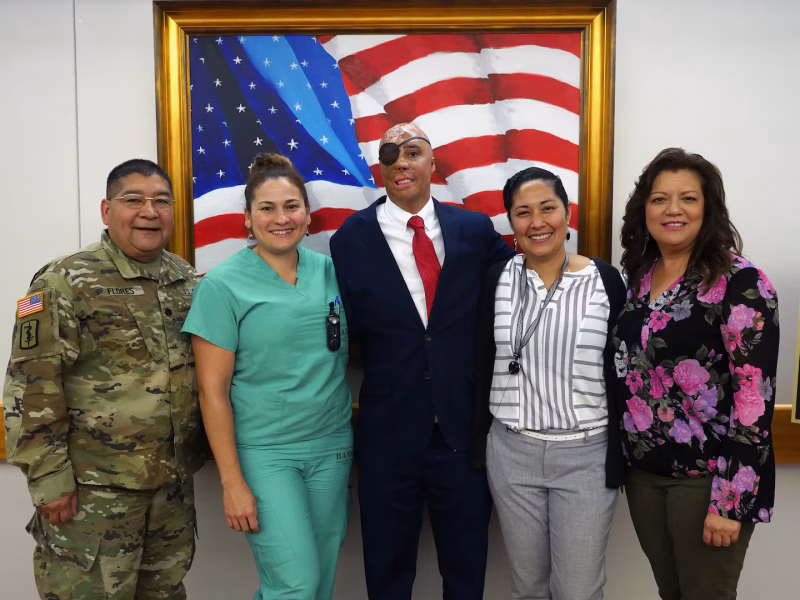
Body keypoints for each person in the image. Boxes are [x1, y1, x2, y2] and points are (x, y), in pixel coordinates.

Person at [3, 159, 204, 599]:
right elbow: (31, 384)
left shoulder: (184, 278)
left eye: (161, 201)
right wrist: (49, 480)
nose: (149, 211)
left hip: (171, 491)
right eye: (133, 200)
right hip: (92, 493)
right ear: (106, 210)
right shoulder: (63, 280)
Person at [329, 123, 514, 600]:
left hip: (462, 435)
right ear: (380, 168)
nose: (401, 162)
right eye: (390, 154)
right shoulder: (351, 238)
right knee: (388, 575)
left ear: (433, 164)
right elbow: (347, 328)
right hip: (388, 434)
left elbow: (523, 281)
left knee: (466, 572)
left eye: (413, 152)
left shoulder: (474, 230)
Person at [182, 153, 352, 600]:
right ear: (247, 218)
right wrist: (232, 482)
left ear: (308, 215)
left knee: (320, 579)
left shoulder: (333, 273)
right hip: (265, 454)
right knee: (294, 585)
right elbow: (211, 392)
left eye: (292, 206)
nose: (282, 218)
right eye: (267, 208)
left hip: (332, 447)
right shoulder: (221, 286)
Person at [613, 148, 779, 599]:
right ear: (643, 208)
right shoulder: (641, 277)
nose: (672, 209)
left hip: (707, 481)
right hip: (645, 477)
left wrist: (729, 501)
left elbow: (754, 398)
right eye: (659, 198)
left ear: (707, 209)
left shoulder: (740, 281)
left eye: (687, 198)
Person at [470, 167, 625, 599]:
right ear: (511, 223)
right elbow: (482, 361)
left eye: (547, 208)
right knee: (528, 588)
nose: (537, 222)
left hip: (586, 457)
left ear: (567, 213)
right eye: (523, 213)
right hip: (512, 453)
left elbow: (624, 370)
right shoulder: (495, 280)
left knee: (578, 590)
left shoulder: (606, 281)